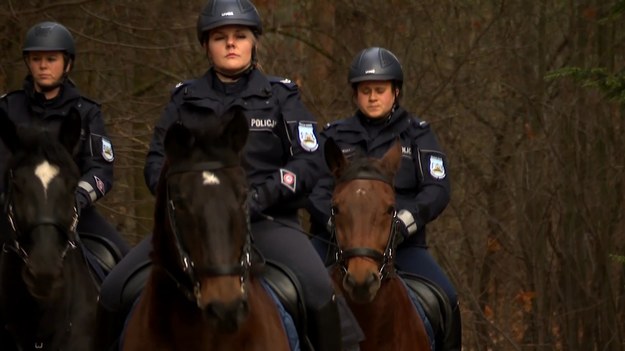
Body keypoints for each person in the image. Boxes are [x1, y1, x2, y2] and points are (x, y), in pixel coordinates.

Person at [97, 1, 361, 350]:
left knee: (318, 289)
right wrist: (186, 201)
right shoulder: (183, 100)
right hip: (192, 227)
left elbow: (310, 160)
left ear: (254, 43)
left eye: (240, 35)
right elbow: (155, 162)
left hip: (269, 221)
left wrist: (260, 197)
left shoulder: (281, 96)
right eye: (220, 37)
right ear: (207, 46)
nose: (231, 43)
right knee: (113, 289)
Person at [307, 47, 462, 350]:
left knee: (448, 297)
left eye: (380, 90)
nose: (373, 97)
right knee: (301, 289)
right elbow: (314, 187)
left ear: (396, 91)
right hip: (338, 241)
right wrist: (333, 224)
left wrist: (405, 222)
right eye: (365, 91)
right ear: (355, 95)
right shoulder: (335, 135)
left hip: (403, 243)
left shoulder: (417, 135)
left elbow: (437, 188)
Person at [0, 21, 130, 263]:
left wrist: (78, 198)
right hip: (12, 211)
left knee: (125, 263)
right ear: (28, 63)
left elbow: (101, 170)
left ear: (67, 63)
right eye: (36, 59)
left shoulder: (87, 112)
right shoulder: (7, 109)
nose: (43, 66)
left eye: (51, 59)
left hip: (72, 210)